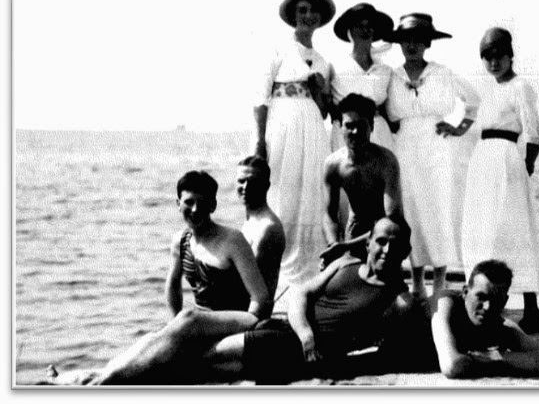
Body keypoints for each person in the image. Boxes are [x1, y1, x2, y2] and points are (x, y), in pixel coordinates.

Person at [56, 217, 413, 385]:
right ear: (368, 242)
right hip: (283, 330)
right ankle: (91, 378)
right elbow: (301, 293)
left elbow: (383, 350)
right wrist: (306, 332)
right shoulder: (345, 264)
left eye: (395, 245)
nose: (386, 249)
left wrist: (318, 359)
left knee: (192, 361)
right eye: (381, 241)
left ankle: (92, 383)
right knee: (178, 346)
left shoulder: (397, 297)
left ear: (405, 252)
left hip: (287, 351)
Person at [460, 27, 539, 334]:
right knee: (484, 231)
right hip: (483, 162)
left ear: (511, 56)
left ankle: (531, 310)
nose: (494, 62)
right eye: (487, 57)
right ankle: (484, 302)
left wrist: (527, 164)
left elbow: (533, 131)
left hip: (507, 162)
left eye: (499, 55)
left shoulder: (520, 86)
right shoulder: (488, 91)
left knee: (515, 231)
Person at [385, 13, 480, 301]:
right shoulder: (392, 76)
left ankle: (439, 282)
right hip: (404, 148)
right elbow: (381, 108)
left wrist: (458, 127)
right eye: (406, 40)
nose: (412, 45)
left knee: (438, 211)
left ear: (427, 43)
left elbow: (473, 100)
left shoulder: (442, 73)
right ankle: (416, 282)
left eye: (418, 40)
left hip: (437, 148)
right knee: (410, 211)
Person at [250, 0, 335, 293]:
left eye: (314, 11)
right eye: (302, 10)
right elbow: (260, 98)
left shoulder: (323, 61)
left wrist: (320, 90)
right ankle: (274, 277)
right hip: (282, 127)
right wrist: (259, 141)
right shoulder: (278, 50)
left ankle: (307, 277)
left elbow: (324, 112)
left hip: (312, 132)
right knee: (280, 196)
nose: (308, 16)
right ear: (293, 15)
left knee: (310, 197)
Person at [431, 259, 539, 379]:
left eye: (496, 300)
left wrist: (494, 357)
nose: (487, 307)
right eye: (481, 297)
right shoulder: (444, 303)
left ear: (505, 301)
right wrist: (498, 361)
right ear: (465, 292)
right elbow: (452, 366)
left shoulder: (500, 326)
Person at [165, 170, 271, 315]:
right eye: (189, 202)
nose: (195, 209)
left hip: (234, 319)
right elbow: (173, 285)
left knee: (188, 316)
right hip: (201, 320)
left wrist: (244, 326)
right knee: (183, 319)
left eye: (202, 203)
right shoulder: (181, 241)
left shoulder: (233, 241)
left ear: (212, 206)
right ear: (178, 204)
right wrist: (173, 318)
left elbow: (261, 298)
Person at [321, 94, 403, 260]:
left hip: (386, 239)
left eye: (361, 126)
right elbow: (329, 215)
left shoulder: (386, 161)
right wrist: (333, 245)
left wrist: (345, 246)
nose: (355, 132)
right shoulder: (333, 164)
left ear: (371, 126)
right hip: (355, 235)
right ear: (340, 127)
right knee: (333, 274)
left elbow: (392, 218)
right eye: (349, 126)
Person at [329, 3, 396, 152]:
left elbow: (393, 108)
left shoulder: (385, 70)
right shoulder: (334, 66)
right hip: (346, 133)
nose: (365, 31)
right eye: (359, 26)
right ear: (350, 31)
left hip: (378, 132)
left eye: (370, 26)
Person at [235, 156, 286, 299]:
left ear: (266, 186)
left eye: (253, 182)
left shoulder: (267, 228)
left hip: (252, 309)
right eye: (241, 181)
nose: (245, 187)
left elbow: (249, 286)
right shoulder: (253, 220)